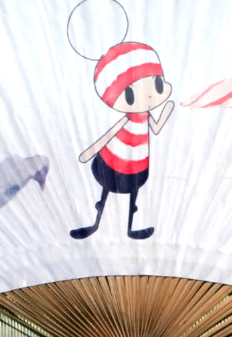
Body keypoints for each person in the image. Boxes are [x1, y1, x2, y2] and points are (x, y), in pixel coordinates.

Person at [70, 42, 175, 240]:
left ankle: (130, 228)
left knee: (132, 194)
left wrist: (166, 112)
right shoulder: (128, 118)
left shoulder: (145, 114)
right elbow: (110, 134)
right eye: (131, 93)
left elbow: (156, 128)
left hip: (137, 166)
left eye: (157, 84)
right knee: (106, 193)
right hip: (111, 165)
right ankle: (96, 224)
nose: (149, 95)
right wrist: (90, 152)